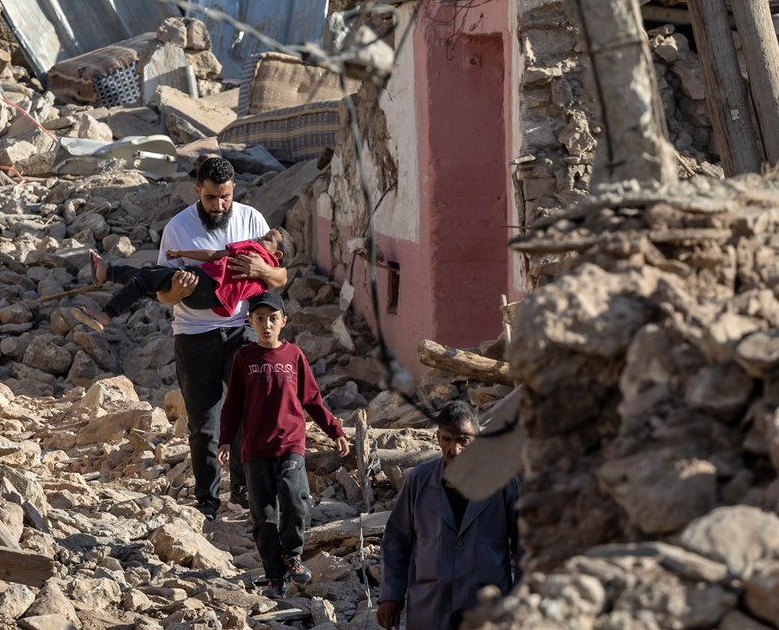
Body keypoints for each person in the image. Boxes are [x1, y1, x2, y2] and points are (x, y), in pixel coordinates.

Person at [158, 156, 287, 520]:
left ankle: (247, 492)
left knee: (250, 410)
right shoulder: (177, 229)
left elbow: (280, 279)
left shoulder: (252, 220)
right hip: (194, 335)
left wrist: (264, 270)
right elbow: (162, 295)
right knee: (203, 423)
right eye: (212, 198)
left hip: (242, 330)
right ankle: (208, 501)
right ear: (198, 191)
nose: (219, 206)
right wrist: (176, 292)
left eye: (226, 197)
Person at [218, 291, 350, 598]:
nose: (266, 325)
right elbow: (232, 405)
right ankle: (274, 577)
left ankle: (292, 553)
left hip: (291, 443)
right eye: (259, 319)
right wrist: (225, 440)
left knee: (294, 497)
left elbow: (312, 399)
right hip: (255, 449)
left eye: (273, 319)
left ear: (283, 322)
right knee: (264, 517)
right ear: (250, 322)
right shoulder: (244, 358)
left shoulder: (294, 356)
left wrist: (335, 430)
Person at [378, 399, 520, 629]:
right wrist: (391, 595)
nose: (454, 449)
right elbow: (397, 541)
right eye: (447, 440)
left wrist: (523, 601)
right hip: (431, 607)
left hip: (485, 608)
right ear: (438, 438)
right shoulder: (419, 481)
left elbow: (524, 545)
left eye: (463, 440)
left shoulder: (503, 484)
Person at [66, 227, 292, 331]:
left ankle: (106, 314)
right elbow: (278, 281)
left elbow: (213, 254)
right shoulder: (266, 281)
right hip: (210, 302)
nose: (260, 237)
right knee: (148, 278)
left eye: (268, 238)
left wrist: (182, 253)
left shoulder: (253, 251)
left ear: (277, 255)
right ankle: (107, 272)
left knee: (146, 277)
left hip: (204, 283)